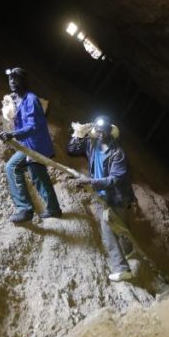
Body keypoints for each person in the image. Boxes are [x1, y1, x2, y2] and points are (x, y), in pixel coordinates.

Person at [67, 115, 135, 282]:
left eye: (103, 130)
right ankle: (128, 248)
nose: (100, 133)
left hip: (118, 197)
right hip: (100, 195)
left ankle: (122, 269)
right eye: (97, 130)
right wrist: (78, 134)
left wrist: (90, 181)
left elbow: (114, 179)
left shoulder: (117, 153)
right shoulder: (91, 143)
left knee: (108, 231)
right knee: (119, 228)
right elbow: (71, 149)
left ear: (110, 131)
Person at [0, 67, 63, 222]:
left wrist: (13, 134)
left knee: (12, 167)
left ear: (24, 81)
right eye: (10, 79)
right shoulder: (16, 100)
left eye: (17, 79)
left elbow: (33, 126)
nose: (13, 82)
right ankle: (54, 209)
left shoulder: (31, 99)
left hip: (35, 145)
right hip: (29, 144)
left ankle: (25, 209)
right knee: (39, 176)